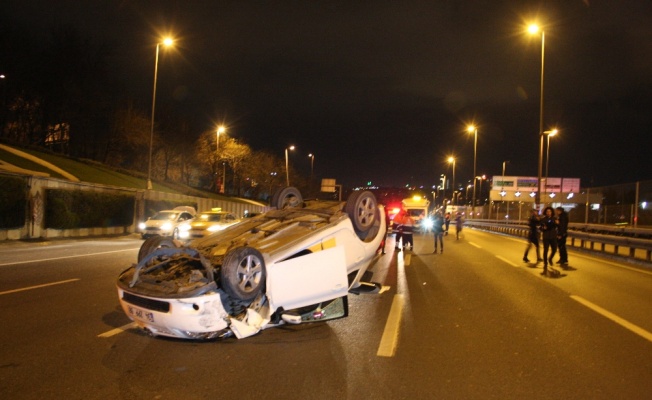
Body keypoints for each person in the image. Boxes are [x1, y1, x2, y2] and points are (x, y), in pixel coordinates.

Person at [540, 206, 558, 276]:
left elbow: (558, 226)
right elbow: (540, 227)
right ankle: (545, 262)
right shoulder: (543, 219)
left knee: (554, 249)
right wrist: (543, 228)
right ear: (545, 212)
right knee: (546, 250)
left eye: (550, 211)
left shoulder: (554, 219)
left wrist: (557, 223)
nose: (548, 213)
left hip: (553, 236)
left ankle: (550, 258)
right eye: (547, 211)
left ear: (551, 212)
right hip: (546, 236)